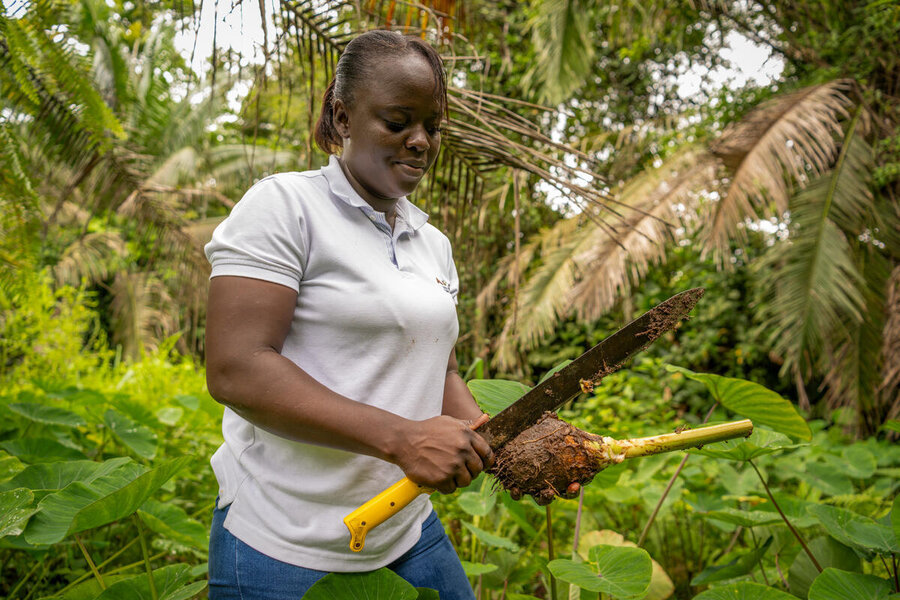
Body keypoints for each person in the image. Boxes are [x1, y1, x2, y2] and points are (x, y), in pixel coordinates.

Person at [204, 30, 493, 599]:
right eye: (397, 121)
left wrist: (514, 443)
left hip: (405, 527)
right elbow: (236, 368)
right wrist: (402, 440)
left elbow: (442, 373)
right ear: (342, 117)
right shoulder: (285, 207)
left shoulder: (431, 243)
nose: (419, 142)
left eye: (432, 127)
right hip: (283, 539)